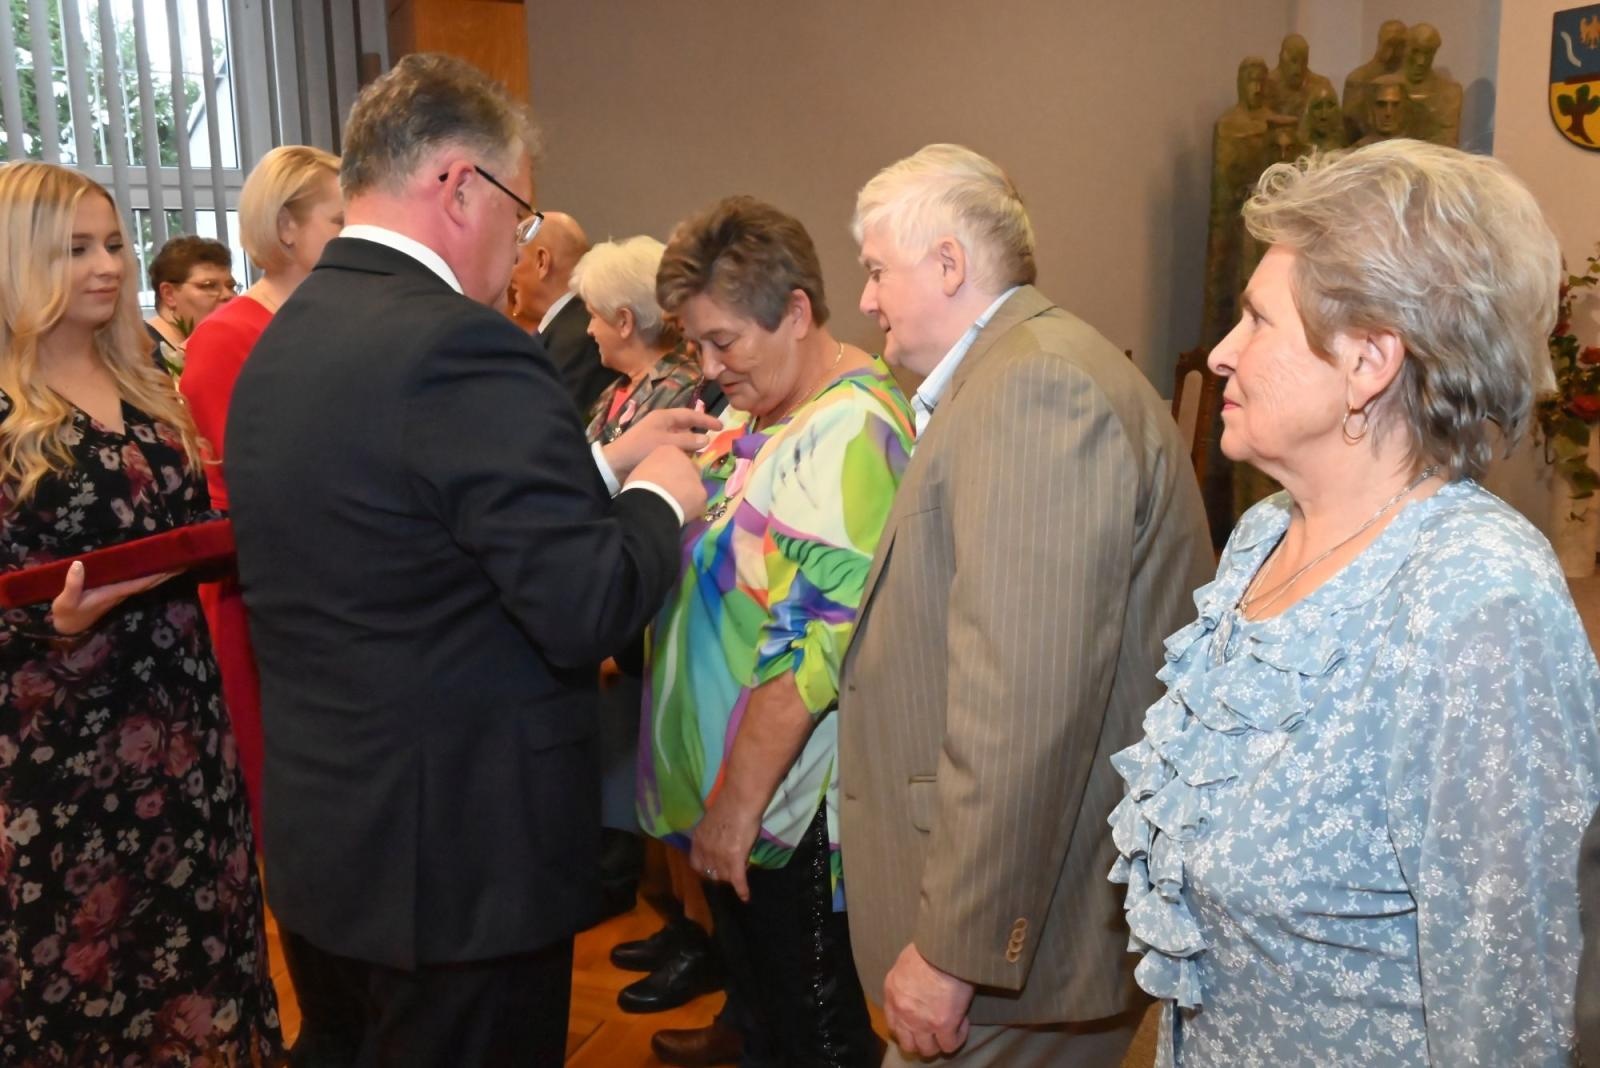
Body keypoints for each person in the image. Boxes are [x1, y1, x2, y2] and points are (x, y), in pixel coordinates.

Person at [224, 53, 716, 1067]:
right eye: (522, 213)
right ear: (460, 186)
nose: (522, 242)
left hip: (335, 845)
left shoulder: (287, 332)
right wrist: (659, 494)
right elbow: (584, 606)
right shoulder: (466, 345)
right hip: (459, 867)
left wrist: (590, 459)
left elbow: (401, 515)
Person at [1110, 140, 1600, 1065]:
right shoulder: (1263, 537)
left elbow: (1509, 1009)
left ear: (1369, 361)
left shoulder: (1478, 600)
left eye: (1256, 321)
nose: (1219, 353)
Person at [838, 143, 1214, 1066]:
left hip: (1011, 953)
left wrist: (956, 951)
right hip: (1019, 944)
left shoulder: (1036, 387)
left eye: (877, 270)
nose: (867, 299)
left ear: (949, 264)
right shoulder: (1012, 378)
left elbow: (1024, 705)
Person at [0, 161, 282, 1065]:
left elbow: (179, 520)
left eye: (114, 244)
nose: (107, 266)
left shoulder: (148, 380)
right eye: (75, 249)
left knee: (200, 952)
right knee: (86, 976)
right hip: (60, 747)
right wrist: (53, 626)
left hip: (181, 718)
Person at [641, 194, 915, 1067]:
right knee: (766, 1006)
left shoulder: (847, 433)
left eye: (726, 342)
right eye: (697, 345)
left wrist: (735, 806)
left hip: (783, 812)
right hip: (738, 797)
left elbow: (810, 651)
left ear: (796, 312)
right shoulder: (764, 410)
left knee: (817, 1030)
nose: (710, 365)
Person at [178, 143, 361, 1068]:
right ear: (287, 229)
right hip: (262, 611)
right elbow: (246, 492)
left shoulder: (337, 319)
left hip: (339, 605)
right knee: (290, 819)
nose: (351, 233)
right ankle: (329, 1024)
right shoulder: (230, 334)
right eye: (337, 219)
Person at [508, 209, 619, 413]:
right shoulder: (567, 332)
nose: (509, 274)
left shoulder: (580, 339)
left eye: (515, 261)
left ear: (542, 262)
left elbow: (542, 423)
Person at [143, 234, 235, 375]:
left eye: (231, 286)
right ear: (169, 295)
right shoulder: (142, 357)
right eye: (209, 286)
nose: (228, 295)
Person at [1342, 18, 1407, 142]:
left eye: (1402, 45)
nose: (1399, 51)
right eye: (1392, 44)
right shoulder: (1358, 79)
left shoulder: (1405, 78)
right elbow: (1351, 127)